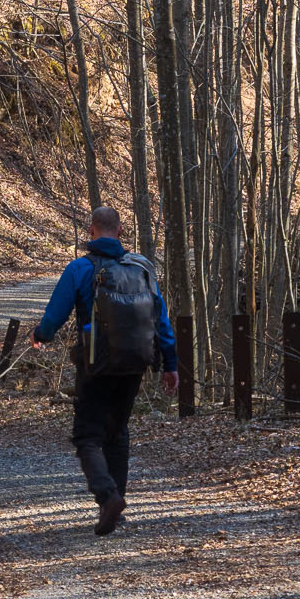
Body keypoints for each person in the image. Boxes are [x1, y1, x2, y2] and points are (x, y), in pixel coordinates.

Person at [31, 205, 178, 535]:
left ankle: (109, 497)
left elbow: (56, 315)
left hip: (96, 365)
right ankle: (117, 506)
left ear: (91, 230)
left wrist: (40, 334)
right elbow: (161, 320)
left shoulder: (80, 268)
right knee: (118, 431)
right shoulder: (142, 267)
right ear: (121, 232)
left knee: (87, 436)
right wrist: (170, 364)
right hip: (135, 363)